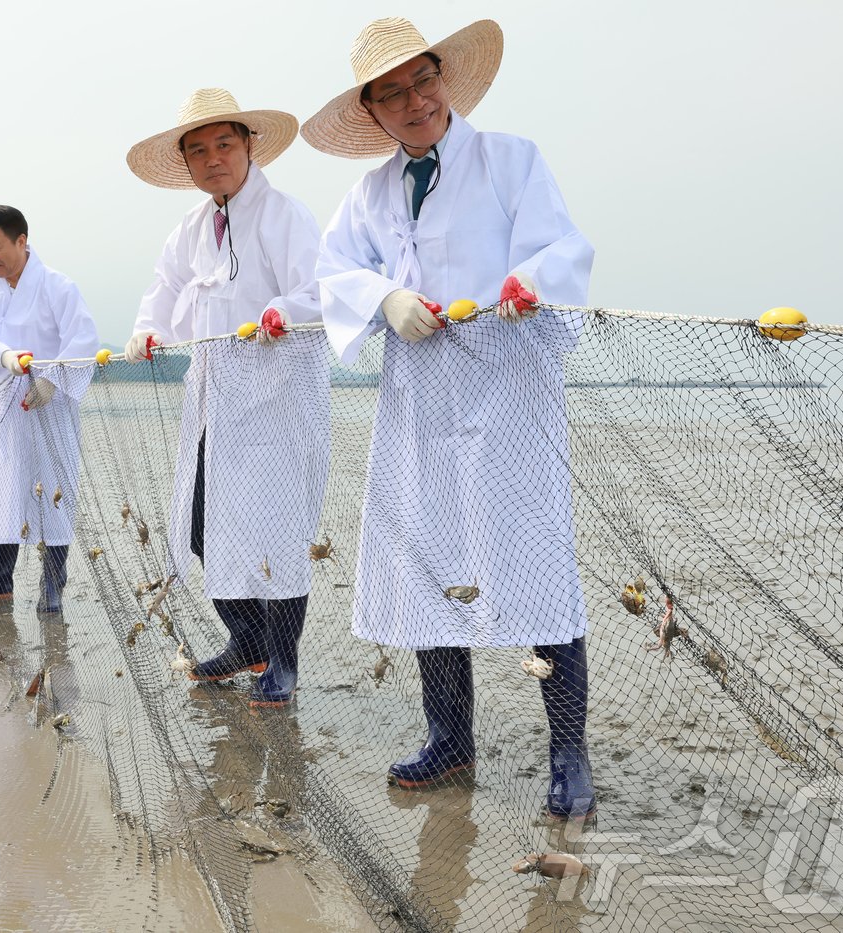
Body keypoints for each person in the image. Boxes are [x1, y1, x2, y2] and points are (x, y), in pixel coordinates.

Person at [303, 17, 597, 818]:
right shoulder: (367, 193)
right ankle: (450, 738)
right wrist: (384, 297)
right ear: (372, 112)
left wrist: (528, 282)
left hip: (509, 392)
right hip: (421, 403)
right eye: (390, 93)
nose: (412, 101)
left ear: (445, 80)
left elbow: (563, 248)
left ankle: (568, 752)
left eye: (421, 81)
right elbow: (333, 271)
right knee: (431, 566)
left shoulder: (511, 159)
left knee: (535, 569)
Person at [125, 89, 329, 708]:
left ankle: (283, 660)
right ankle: (246, 639)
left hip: (278, 400)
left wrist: (279, 313)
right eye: (198, 151)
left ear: (248, 146)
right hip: (217, 397)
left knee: (277, 532)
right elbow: (165, 289)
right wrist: (146, 330)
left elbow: (319, 293)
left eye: (224, 144)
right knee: (201, 525)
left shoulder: (283, 215)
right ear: (186, 165)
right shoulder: (191, 228)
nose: (213, 159)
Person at [0, 205, 99, 609]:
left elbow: (83, 340)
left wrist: (52, 381)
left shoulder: (58, 286)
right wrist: (5, 358)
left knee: (53, 490)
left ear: (22, 240)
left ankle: (53, 582)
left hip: (48, 405)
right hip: (0, 401)